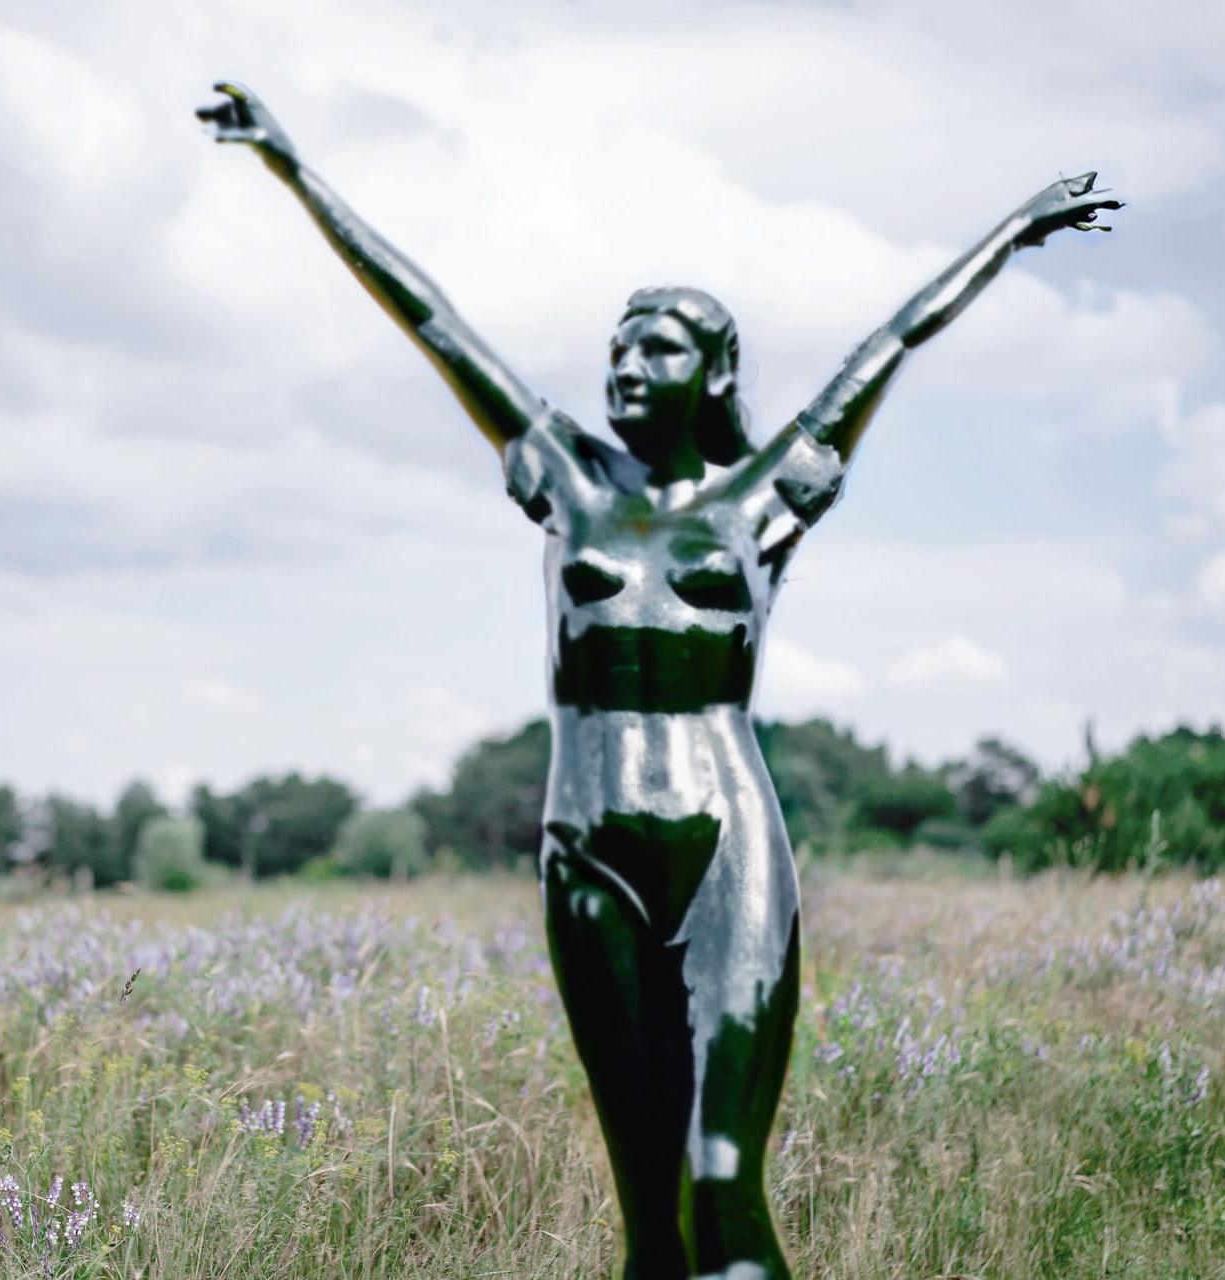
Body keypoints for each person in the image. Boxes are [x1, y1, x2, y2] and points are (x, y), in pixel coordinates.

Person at [199, 80, 1119, 1280]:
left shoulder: (765, 497)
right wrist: (290, 166)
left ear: (715, 371)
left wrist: (1013, 230)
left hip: (724, 843)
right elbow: (429, 317)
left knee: (722, 1183)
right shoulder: (565, 475)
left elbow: (890, 341)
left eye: (660, 347)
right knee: (648, 1214)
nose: (629, 366)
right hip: (586, 849)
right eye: (618, 348)